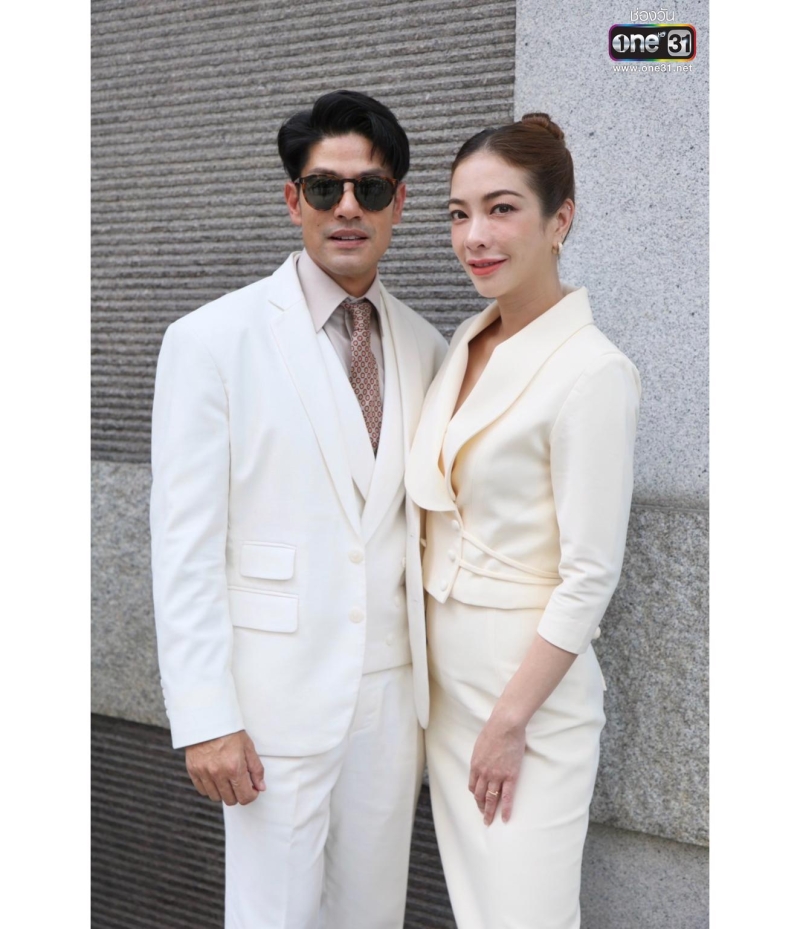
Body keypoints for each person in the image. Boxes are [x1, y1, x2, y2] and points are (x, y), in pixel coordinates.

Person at [150, 89, 447, 929]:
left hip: (391, 706)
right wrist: (206, 717)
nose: (348, 207)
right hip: (269, 706)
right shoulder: (212, 340)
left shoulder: (429, 347)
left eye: (370, 189)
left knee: (372, 915)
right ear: (293, 200)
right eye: (325, 188)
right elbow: (184, 545)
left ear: (398, 203)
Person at [405, 113, 641, 928]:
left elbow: (591, 573)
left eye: (501, 209)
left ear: (559, 219)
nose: (475, 235)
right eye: (458, 213)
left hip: (527, 702)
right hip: (448, 690)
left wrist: (509, 721)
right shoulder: (466, 342)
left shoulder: (593, 371)